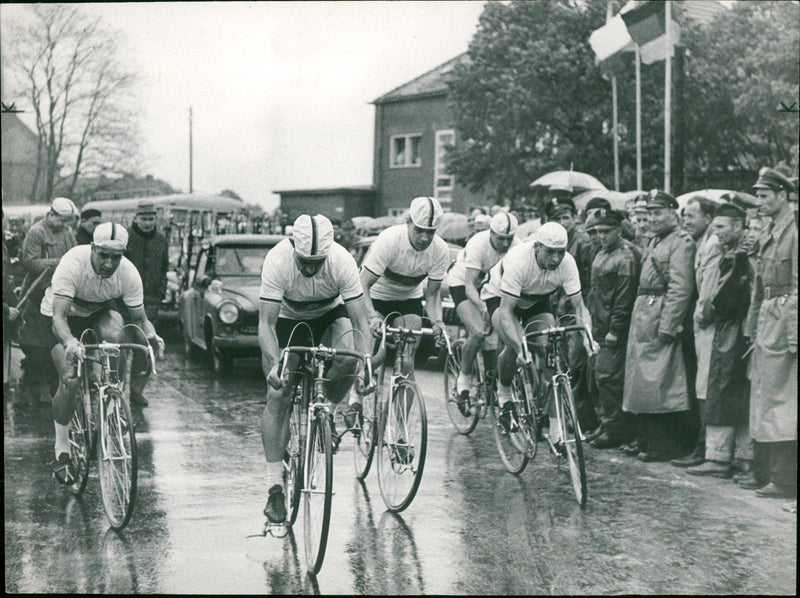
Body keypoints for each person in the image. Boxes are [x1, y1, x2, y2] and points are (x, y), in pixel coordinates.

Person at [258, 214, 372, 523]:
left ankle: (329, 412)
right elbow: (266, 323)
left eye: (317, 262)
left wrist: (368, 366)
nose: (310, 268)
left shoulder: (341, 260)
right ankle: (274, 487)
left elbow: (361, 321)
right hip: (287, 318)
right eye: (304, 261)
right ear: (292, 245)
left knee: (349, 354)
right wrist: (274, 366)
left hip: (328, 314)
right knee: (279, 392)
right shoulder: (277, 260)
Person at [41, 222, 164, 485]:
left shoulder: (129, 273)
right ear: (93, 249)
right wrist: (70, 342)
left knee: (115, 327)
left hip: (97, 310)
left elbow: (140, 319)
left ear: (124, 255)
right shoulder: (72, 263)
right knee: (71, 380)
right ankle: (61, 450)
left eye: (116, 257)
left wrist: (151, 336)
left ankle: (108, 388)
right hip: (62, 317)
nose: (109, 263)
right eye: (103, 255)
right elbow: (59, 318)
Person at [482, 222, 596, 437]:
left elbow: (579, 306)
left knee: (551, 350)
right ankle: (504, 392)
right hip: (501, 298)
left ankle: (555, 428)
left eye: (560, 252)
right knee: (515, 344)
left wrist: (587, 336)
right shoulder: (518, 259)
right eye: (550, 252)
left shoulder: (567, 263)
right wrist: (520, 347)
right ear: (536, 247)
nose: (555, 259)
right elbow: (506, 312)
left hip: (536, 299)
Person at [621, 190, 696, 462]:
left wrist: (669, 324)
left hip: (660, 313)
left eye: (658, 213)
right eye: (649, 213)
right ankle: (647, 439)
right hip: (645, 313)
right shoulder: (655, 241)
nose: (652, 219)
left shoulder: (680, 242)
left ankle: (663, 444)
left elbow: (681, 287)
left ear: (673, 213)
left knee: (662, 383)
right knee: (643, 382)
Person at [741, 168, 797, 499]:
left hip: (784, 320)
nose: (759, 202)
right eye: (758, 196)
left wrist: (792, 335)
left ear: (782, 195)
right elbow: (760, 286)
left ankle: (784, 478)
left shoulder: (794, 230)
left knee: (783, 399)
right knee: (764, 395)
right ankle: (765, 472)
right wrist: (752, 326)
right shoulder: (771, 230)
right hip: (768, 317)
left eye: (765, 196)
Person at [686, 203, 753, 479]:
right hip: (732, 327)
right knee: (727, 389)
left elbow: (729, 296)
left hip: (734, 327)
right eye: (715, 227)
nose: (717, 233)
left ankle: (723, 457)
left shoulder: (740, 255)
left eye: (722, 227)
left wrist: (710, 308)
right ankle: (732, 456)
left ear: (738, 226)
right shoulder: (732, 252)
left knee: (725, 388)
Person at [360, 197, 450, 376]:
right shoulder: (390, 240)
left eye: (430, 232)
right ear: (408, 222)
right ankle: (360, 386)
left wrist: (437, 322)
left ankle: (401, 387)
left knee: (407, 359)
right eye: (419, 230)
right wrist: (372, 316)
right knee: (371, 354)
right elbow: (363, 284)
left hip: (408, 299)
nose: (424, 238)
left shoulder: (440, 249)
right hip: (376, 296)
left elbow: (432, 294)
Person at [446, 212, 518, 410]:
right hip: (464, 283)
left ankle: (492, 380)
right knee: (478, 332)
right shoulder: (478, 243)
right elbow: (469, 285)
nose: (505, 244)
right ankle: (463, 380)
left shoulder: (517, 247)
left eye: (508, 239)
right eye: (500, 238)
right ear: (491, 233)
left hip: (492, 288)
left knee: (502, 334)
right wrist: (483, 308)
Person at [671, 196, 722, 468]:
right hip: (700, 323)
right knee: (699, 382)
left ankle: (705, 449)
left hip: (707, 322)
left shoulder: (712, 244)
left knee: (705, 384)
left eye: (691, 216)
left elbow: (709, 291)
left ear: (708, 218)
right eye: (685, 216)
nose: (686, 221)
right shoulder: (701, 243)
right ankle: (701, 446)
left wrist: (701, 316)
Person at [586, 210, 640, 449]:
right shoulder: (602, 253)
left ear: (619, 229)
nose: (601, 236)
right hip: (599, 325)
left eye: (606, 232)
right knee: (597, 377)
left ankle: (616, 428)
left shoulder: (625, 257)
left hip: (613, 328)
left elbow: (624, 298)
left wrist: (616, 329)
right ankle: (606, 422)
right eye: (598, 232)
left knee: (609, 378)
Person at [544, 196, 598, 433]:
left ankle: (578, 421)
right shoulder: (549, 243)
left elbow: (588, 282)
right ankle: (556, 417)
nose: (563, 223)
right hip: (558, 309)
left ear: (574, 217)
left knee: (576, 366)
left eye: (566, 217)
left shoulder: (583, 243)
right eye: (557, 218)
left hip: (576, 310)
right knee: (557, 364)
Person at [18, 197, 77, 403]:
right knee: (38, 344)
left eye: (67, 221)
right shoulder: (36, 232)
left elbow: (75, 254)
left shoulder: (68, 233)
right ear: (51, 214)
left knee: (58, 340)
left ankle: (57, 385)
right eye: (61, 220)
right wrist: (59, 263)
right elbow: (30, 263)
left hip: (61, 291)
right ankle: (41, 387)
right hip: (37, 293)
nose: (64, 225)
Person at [124, 201, 170, 407]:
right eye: (144, 219)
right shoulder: (125, 238)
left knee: (145, 347)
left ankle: (136, 390)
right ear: (136, 219)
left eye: (151, 219)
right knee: (121, 344)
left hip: (150, 301)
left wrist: (160, 292)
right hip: (123, 302)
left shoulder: (161, 240)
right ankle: (115, 387)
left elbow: (164, 268)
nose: (148, 223)